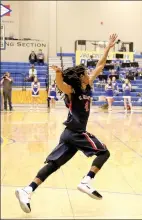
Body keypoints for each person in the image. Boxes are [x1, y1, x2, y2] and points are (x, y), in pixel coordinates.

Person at [15, 33, 118, 213]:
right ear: (80, 77)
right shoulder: (72, 90)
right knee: (104, 152)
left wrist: (108, 47)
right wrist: (58, 74)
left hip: (69, 135)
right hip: (76, 132)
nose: (88, 73)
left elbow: (100, 65)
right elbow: (61, 85)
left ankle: (27, 190)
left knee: (54, 164)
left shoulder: (89, 85)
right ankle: (87, 181)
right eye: (85, 73)